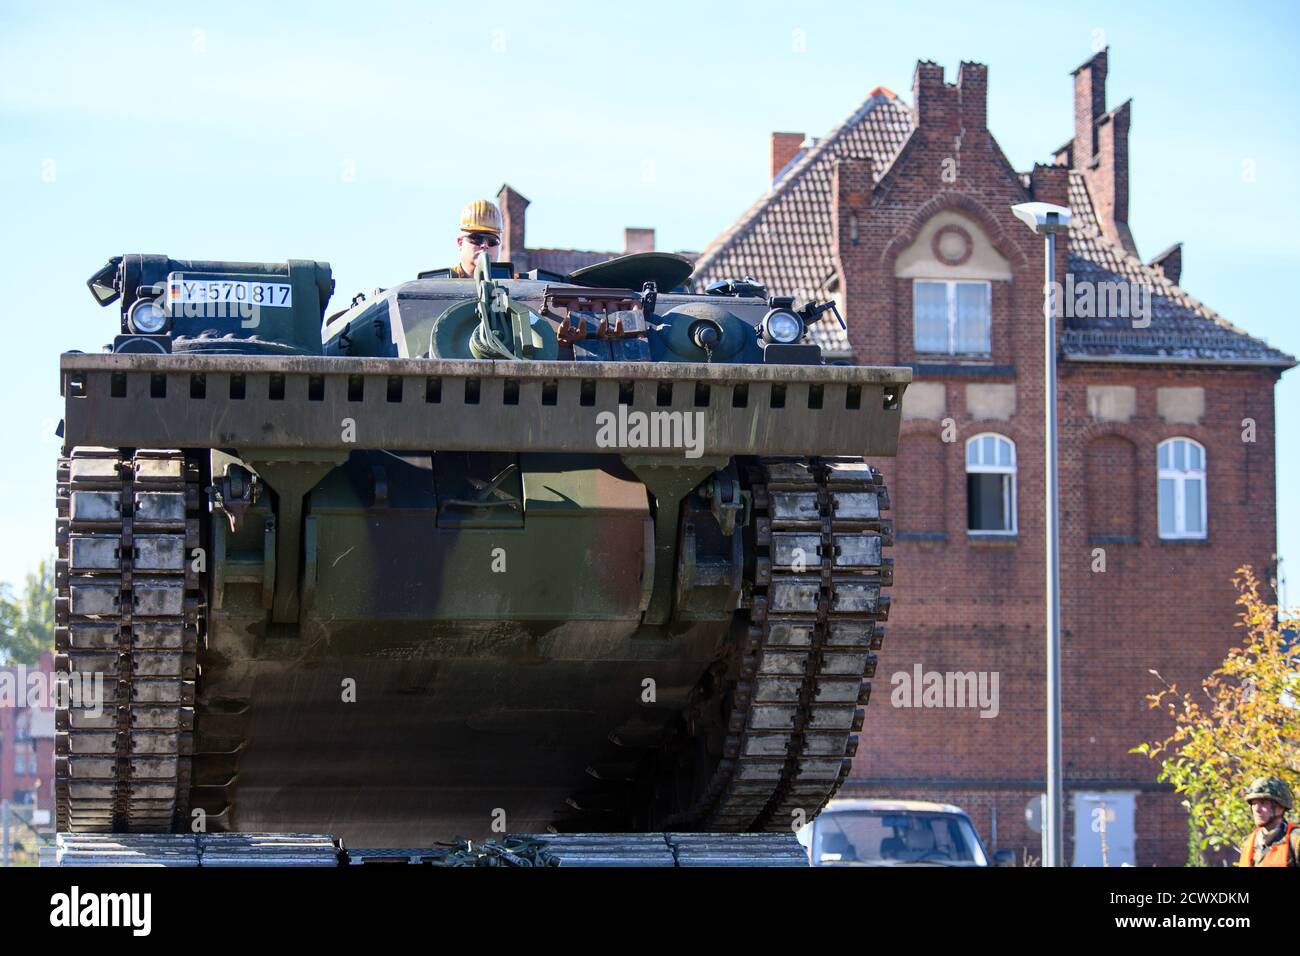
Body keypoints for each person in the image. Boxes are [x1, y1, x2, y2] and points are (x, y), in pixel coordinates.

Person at [1236, 775, 1298, 867]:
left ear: (1280, 807)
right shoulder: (1249, 844)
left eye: (1263, 803)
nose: (1257, 809)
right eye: (1254, 803)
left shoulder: (1295, 841)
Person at [450, 199, 503, 278]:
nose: (485, 245)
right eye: (477, 238)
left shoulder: (514, 286)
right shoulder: (438, 285)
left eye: (492, 240)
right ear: (460, 243)